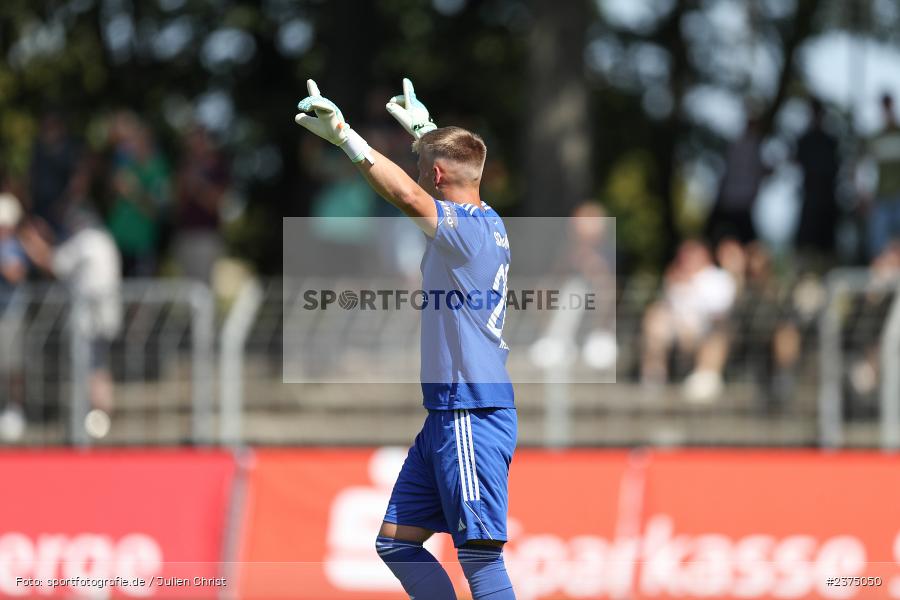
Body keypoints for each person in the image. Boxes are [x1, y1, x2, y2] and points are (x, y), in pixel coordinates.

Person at [295, 78, 517, 599]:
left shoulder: (462, 230)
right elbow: (438, 172)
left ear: (437, 176)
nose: (417, 174)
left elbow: (406, 192)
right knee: (396, 543)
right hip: (447, 411)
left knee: (479, 558)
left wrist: (347, 137)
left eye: (422, 164)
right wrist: (426, 131)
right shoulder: (487, 220)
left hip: (470, 411)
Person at [19, 164, 122, 440]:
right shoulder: (103, 239)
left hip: (91, 319)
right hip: (105, 316)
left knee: (90, 367)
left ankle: (93, 421)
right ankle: (100, 419)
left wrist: (31, 241)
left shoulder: (87, 241)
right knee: (98, 365)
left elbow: (54, 263)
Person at [172, 126, 229, 282]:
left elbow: (216, 203)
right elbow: (177, 204)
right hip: (185, 234)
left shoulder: (217, 167)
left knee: (203, 289)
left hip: (207, 236)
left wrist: (196, 185)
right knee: (187, 290)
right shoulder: (184, 166)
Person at [706, 114, 771, 245]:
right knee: (747, 243)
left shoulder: (737, 144)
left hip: (730, 201)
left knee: (717, 238)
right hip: (739, 203)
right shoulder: (751, 146)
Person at [794, 98, 840, 262]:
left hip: (826, 200)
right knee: (805, 244)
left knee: (827, 246)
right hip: (810, 199)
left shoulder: (830, 142)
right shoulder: (804, 141)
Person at [0, 193, 28, 441]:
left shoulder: (12, 245)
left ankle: (14, 411)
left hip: (9, 314)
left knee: (11, 366)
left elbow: (15, 273)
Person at [864, 93, 900, 259]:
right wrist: (866, 193)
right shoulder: (876, 138)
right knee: (879, 244)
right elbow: (866, 168)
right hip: (882, 196)